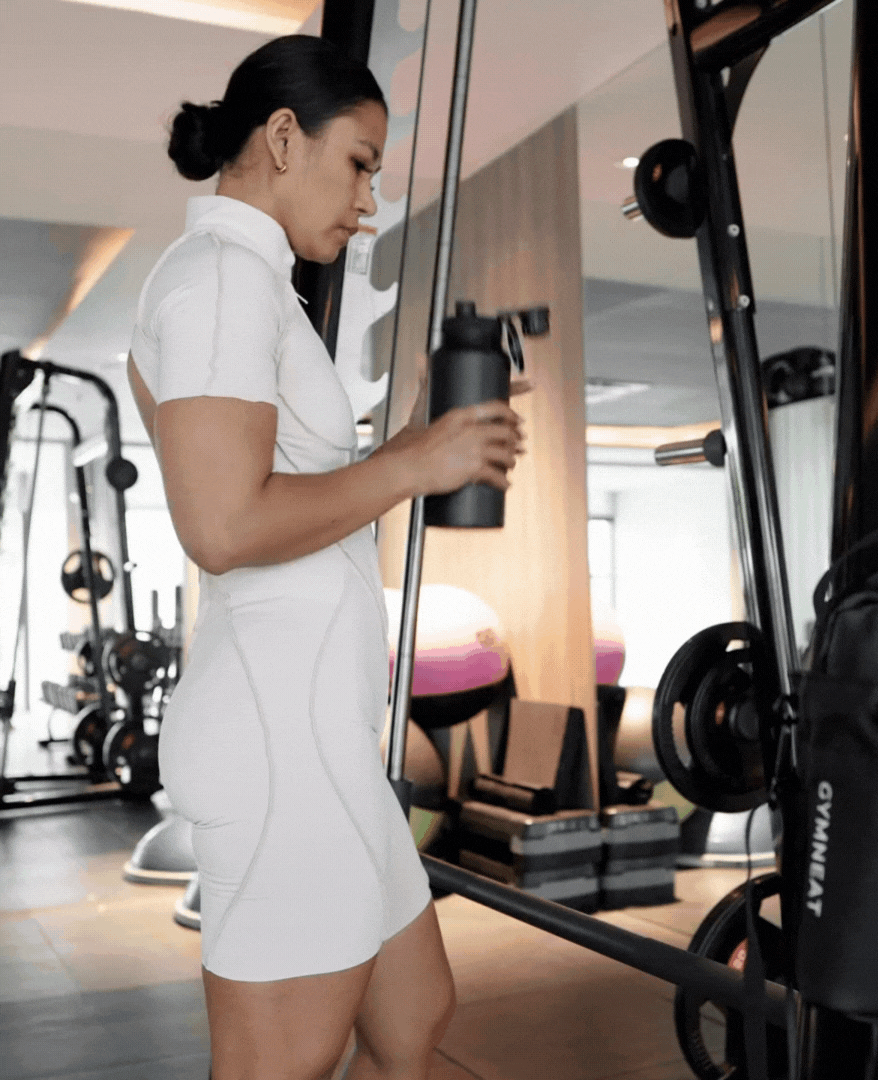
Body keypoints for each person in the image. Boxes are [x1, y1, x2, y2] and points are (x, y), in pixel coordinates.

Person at [126, 35, 528, 1080]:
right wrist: (407, 465)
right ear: (281, 137)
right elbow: (223, 526)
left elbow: (299, 501)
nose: (367, 203)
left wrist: (420, 442)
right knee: (282, 1061)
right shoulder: (221, 282)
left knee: (412, 1015)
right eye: (358, 165)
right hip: (277, 743)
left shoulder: (255, 288)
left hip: (319, 739)